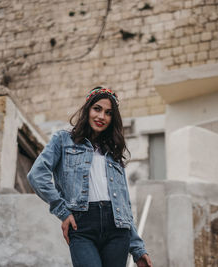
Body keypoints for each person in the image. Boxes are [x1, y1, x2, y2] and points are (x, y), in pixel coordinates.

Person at [27, 86, 152, 267]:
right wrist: (62, 211)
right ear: (87, 110)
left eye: (108, 113)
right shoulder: (63, 140)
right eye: (97, 109)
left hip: (117, 230)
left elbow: (123, 205)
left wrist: (138, 249)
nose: (101, 117)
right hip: (81, 226)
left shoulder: (113, 152)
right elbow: (37, 175)